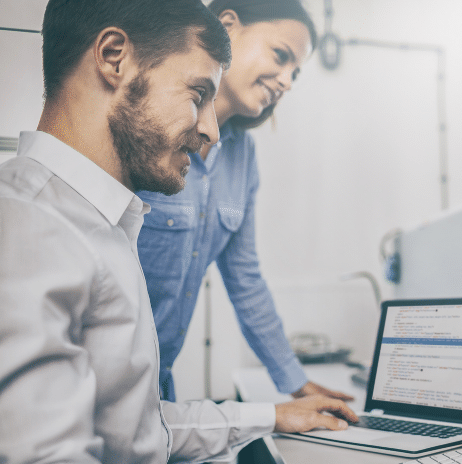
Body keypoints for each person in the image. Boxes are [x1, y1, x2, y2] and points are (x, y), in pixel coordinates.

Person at [0, 0, 356, 462]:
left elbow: (137, 429)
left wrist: (275, 409)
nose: (209, 130)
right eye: (196, 95)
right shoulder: (31, 226)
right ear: (113, 58)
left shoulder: (112, 219)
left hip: (154, 387)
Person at [137, 0, 353, 403]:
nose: (288, 81)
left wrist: (295, 383)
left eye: (296, 73)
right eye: (281, 55)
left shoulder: (242, 156)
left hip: (157, 389)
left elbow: (246, 281)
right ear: (228, 26)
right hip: (94, 384)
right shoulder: (146, 122)